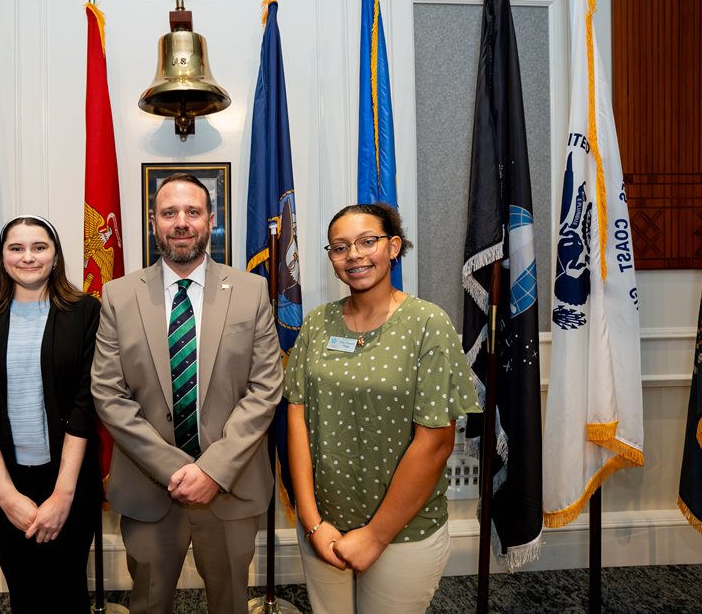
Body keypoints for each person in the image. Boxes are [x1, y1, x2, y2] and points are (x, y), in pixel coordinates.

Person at [91, 173, 284, 614]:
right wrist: (177, 469)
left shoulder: (251, 291)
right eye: (169, 213)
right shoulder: (118, 296)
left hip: (231, 487)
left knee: (230, 602)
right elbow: (108, 394)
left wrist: (212, 471)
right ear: (153, 223)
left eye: (193, 212)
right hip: (149, 488)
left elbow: (265, 388)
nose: (181, 222)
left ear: (211, 220)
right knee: (148, 603)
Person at [285, 203, 481, 614]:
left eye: (366, 242)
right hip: (324, 526)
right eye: (340, 247)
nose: (353, 255)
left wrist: (375, 536)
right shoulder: (317, 324)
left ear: (393, 247)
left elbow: (435, 444)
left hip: (401, 532)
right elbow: (298, 420)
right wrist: (312, 521)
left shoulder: (428, 324)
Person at [0, 215, 101, 613]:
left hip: (69, 481)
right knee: (26, 593)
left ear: (56, 256)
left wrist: (62, 496)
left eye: (39, 247)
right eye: (16, 248)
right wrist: (7, 497)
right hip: (2, 482)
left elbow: (85, 404)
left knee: (69, 593)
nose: (28, 257)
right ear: (3, 257)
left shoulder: (86, 312)